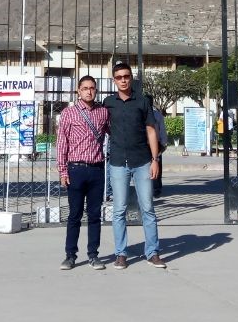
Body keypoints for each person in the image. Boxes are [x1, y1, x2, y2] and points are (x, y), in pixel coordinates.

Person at [102, 60, 165, 269]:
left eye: (126, 76)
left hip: (142, 162)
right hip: (118, 161)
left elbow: (151, 130)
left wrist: (155, 160)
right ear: (114, 80)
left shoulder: (142, 102)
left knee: (147, 208)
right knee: (119, 209)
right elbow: (100, 128)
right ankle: (121, 253)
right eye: (119, 77)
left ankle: (152, 252)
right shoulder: (108, 102)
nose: (123, 80)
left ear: (131, 78)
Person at [56, 74, 110, 271]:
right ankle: (70, 255)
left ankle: (93, 255)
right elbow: (62, 143)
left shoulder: (103, 113)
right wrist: (63, 171)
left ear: (96, 90)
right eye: (85, 88)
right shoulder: (68, 113)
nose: (89, 91)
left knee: (95, 215)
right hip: (75, 169)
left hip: (96, 170)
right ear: (78, 91)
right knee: (74, 215)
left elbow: (114, 132)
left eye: (92, 88)